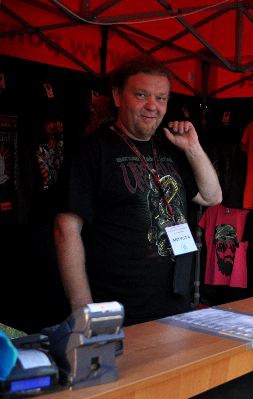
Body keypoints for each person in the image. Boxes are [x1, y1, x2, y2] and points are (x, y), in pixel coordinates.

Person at [54, 57, 222, 326]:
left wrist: (192, 147)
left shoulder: (170, 148)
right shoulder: (92, 151)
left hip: (175, 304)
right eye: (141, 95)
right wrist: (83, 310)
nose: (152, 106)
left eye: (161, 98)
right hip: (119, 310)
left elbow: (211, 197)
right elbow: (66, 230)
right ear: (118, 96)